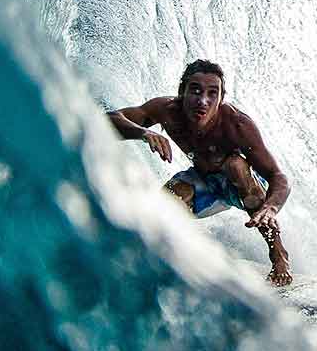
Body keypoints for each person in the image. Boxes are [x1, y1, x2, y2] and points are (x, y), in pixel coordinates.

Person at [106, 59, 293, 286]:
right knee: (164, 205)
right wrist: (143, 132)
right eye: (195, 90)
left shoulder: (237, 125)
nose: (202, 101)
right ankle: (166, 264)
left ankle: (278, 255)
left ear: (221, 98)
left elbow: (278, 177)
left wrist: (271, 208)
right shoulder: (167, 111)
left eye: (212, 93)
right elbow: (110, 118)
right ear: (181, 91)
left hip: (245, 184)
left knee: (235, 165)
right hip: (204, 180)